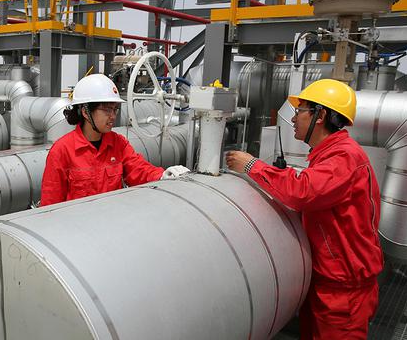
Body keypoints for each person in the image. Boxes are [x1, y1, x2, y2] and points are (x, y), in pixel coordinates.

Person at [225, 79, 383, 339]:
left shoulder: (344, 156)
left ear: (320, 115)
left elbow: (304, 192)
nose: (294, 118)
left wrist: (251, 165)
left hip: (344, 293)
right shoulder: (327, 154)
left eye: (301, 111)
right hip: (326, 282)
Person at [41, 73, 189, 206]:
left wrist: (163, 175)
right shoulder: (62, 150)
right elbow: (50, 205)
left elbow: (139, 170)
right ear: (86, 112)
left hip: (112, 226)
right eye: (107, 110)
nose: (113, 116)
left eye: (115, 109)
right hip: (77, 230)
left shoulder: (118, 143)